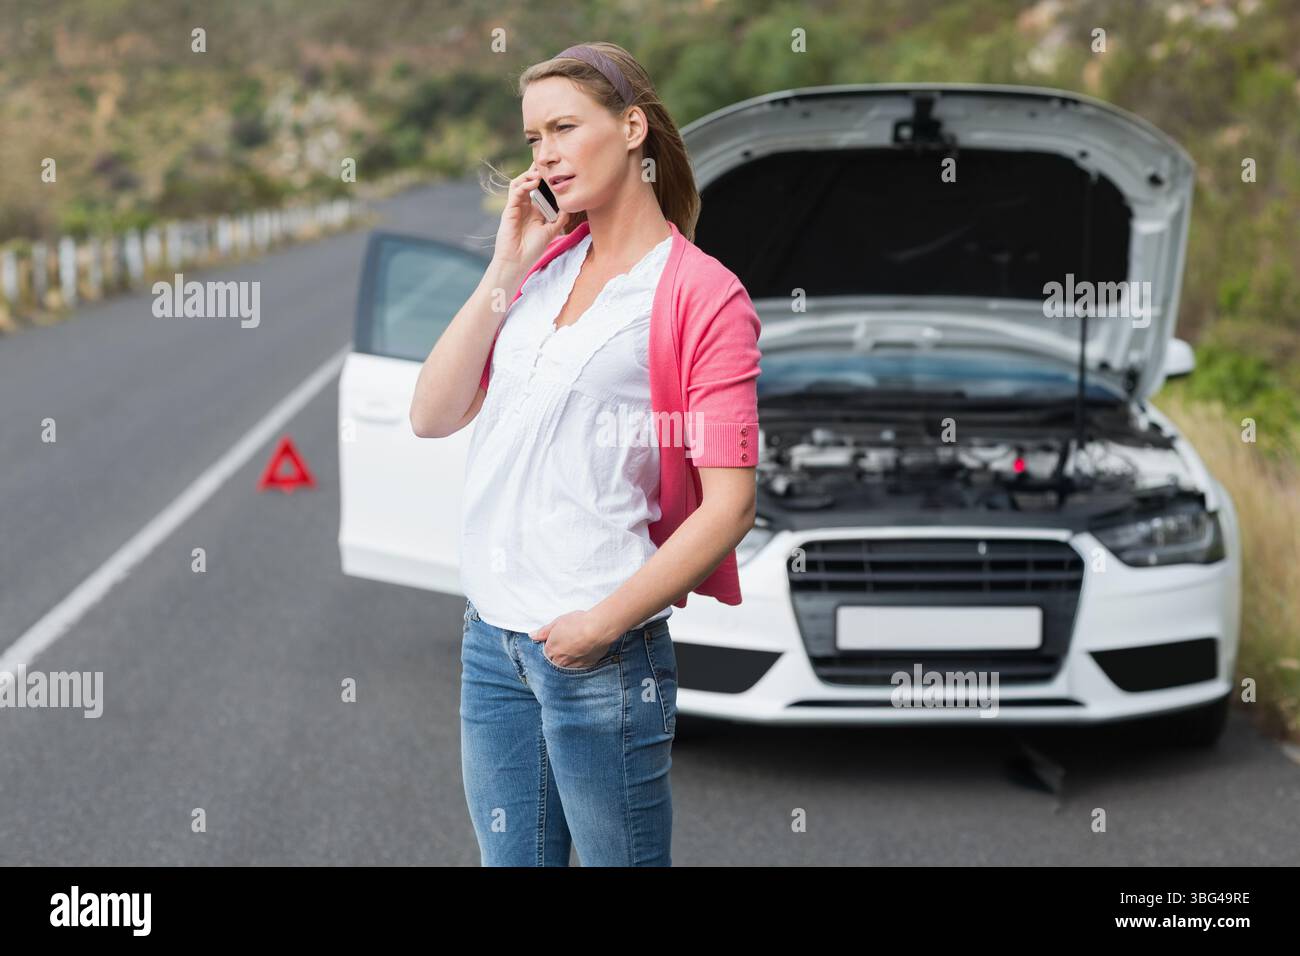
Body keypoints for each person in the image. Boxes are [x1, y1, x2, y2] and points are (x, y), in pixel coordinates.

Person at [409, 41, 761, 866]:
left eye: (564, 127)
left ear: (633, 127)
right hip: (492, 642)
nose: (546, 155)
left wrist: (599, 627)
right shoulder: (540, 268)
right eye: (533, 139)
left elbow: (731, 504)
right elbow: (432, 412)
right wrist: (508, 261)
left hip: (599, 653)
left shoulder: (702, 295)